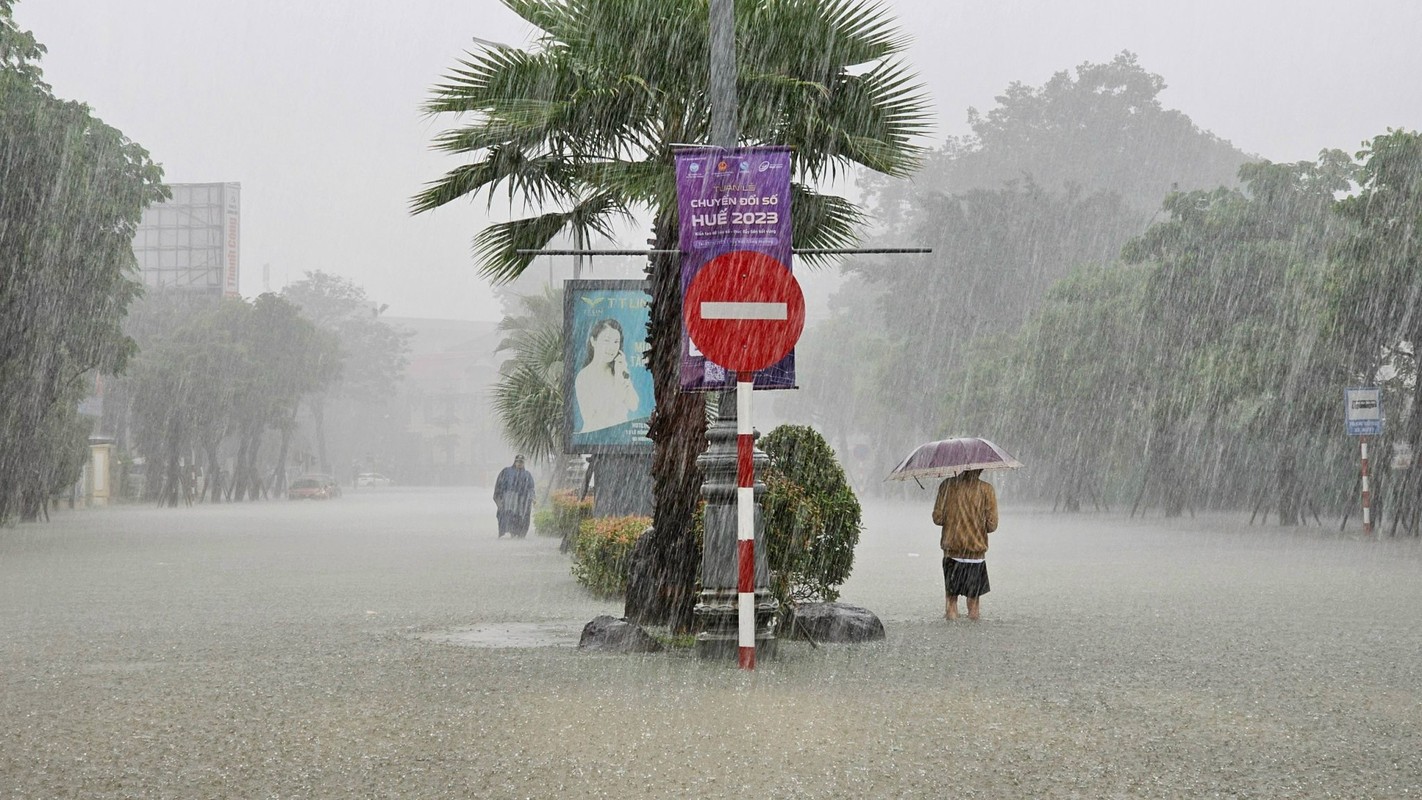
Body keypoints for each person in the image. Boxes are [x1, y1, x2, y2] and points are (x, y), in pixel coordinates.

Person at [932, 468, 999, 620]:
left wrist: (954, 518)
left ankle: (951, 638)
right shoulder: (986, 489)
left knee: (951, 600)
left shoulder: (947, 486)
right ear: (980, 468)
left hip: (952, 552)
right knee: (974, 605)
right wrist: (975, 523)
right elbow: (992, 525)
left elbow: (937, 518)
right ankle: (973, 640)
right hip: (975, 555)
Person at [573, 318, 640, 434]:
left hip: (621, 439)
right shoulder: (584, 377)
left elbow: (634, 404)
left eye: (616, 342)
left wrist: (622, 371)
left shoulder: (618, 370)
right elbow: (591, 419)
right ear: (593, 341)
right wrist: (618, 396)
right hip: (597, 440)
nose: (612, 347)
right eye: (606, 341)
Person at [493, 455, 535, 538]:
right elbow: (499, 485)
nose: (519, 463)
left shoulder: (527, 475)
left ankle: (518, 533)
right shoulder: (506, 472)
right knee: (507, 516)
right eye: (518, 461)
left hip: (521, 504)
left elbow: (531, 488)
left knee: (520, 518)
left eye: (521, 462)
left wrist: (533, 497)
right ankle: (508, 531)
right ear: (515, 462)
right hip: (508, 502)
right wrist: (499, 497)